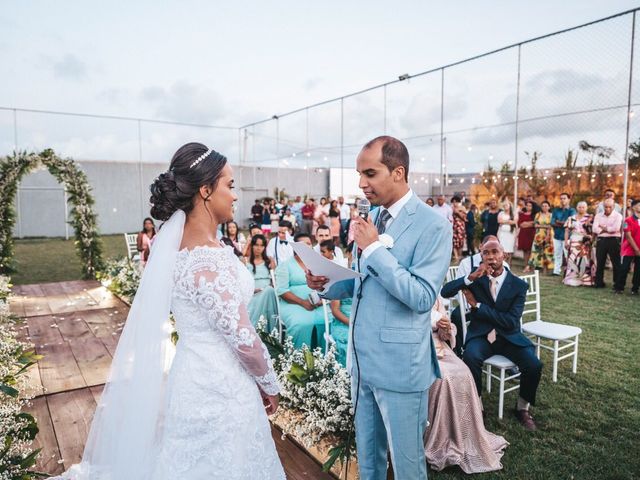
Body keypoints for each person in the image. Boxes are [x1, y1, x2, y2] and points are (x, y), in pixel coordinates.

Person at [53, 143, 285, 479]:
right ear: (205, 191)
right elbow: (244, 339)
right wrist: (270, 384)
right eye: (230, 185)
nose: (235, 196)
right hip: (222, 390)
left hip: (190, 375)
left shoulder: (178, 248)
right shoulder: (208, 258)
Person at [307, 136, 451, 479]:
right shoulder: (372, 217)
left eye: (370, 173)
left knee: (406, 467)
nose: (361, 183)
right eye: (359, 174)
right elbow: (363, 281)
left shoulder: (434, 226)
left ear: (398, 172)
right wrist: (327, 284)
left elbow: (420, 297)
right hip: (361, 362)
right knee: (368, 460)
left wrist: (373, 250)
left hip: (401, 367)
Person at [441, 238, 543, 431]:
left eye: (495, 252)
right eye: (486, 253)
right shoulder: (477, 281)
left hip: (509, 336)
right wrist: (469, 278)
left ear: (503, 255)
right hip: (481, 336)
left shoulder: (518, 285)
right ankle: (477, 406)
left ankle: (522, 408)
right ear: (481, 257)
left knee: (533, 365)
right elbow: (445, 292)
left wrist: (478, 306)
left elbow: (511, 322)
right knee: (470, 357)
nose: (491, 257)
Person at [424, 297, 508, 474]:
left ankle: (463, 432)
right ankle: (440, 434)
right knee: (444, 379)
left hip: (440, 347)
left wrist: (446, 328)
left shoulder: (435, 299)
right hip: (419, 349)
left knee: (464, 373)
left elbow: (445, 336)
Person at [275, 233, 326, 350]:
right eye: (303, 244)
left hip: (318, 304)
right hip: (293, 304)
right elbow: (282, 291)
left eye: (309, 243)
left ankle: (323, 360)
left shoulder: (318, 264)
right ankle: (298, 361)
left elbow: (326, 284)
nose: (307, 246)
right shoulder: (285, 265)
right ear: (295, 247)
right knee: (301, 324)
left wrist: (322, 298)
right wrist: (303, 302)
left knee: (328, 321)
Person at [246, 234, 278, 328]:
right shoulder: (246, 262)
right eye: (256, 245)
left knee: (269, 291)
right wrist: (254, 290)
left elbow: (274, 281)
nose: (258, 248)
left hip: (268, 293)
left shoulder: (269, 262)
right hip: (252, 294)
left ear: (264, 247)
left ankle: (269, 332)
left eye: (261, 245)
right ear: (252, 246)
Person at [592, 198, 623, 291]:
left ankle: (617, 283)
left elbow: (616, 228)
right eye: (606, 207)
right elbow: (594, 229)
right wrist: (608, 229)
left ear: (614, 206)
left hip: (614, 240)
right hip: (601, 240)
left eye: (610, 207)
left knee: (616, 262)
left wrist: (603, 228)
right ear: (603, 206)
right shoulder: (598, 215)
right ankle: (599, 282)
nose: (608, 209)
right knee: (600, 261)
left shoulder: (618, 216)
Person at [563, 201, 594, 287]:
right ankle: (571, 279)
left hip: (585, 242)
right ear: (577, 208)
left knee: (584, 260)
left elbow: (594, 230)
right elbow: (566, 231)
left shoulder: (590, 218)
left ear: (586, 208)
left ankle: (585, 280)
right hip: (573, 240)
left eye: (583, 207)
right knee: (572, 259)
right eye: (579, 207)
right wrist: (566, 242)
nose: (581, 209)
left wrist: (590, 238)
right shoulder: (571, 218)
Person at [551, 193, 576, 276]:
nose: (562, 200)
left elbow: (570, 223)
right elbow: (552, 222)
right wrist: (563, 223)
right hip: (557, 235)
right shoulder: (556, 210)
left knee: (567, 254)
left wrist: (559, 222)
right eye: (561, 198)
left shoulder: (572, 211)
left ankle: (569, 272)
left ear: (569, 199)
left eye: (564, 198)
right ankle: (556, 271)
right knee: (557, 254)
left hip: (567, 236)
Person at [619, 199, 640, 294]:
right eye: (639, 205)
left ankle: (635, 288)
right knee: (624, 268)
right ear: (633, 207)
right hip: (629, 249)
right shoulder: (627, 220)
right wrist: (636, 248)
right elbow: (628, 235)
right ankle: (619, 287)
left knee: (638, 270)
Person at [528, 200, 554, 274]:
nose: (544, 207)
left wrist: (547, 234)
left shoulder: (551, 215)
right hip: (538, 235)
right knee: (536, 251)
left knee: (546, 252)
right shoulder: (538, 215)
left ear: (549, 207)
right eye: (543, 206)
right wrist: (546, 226)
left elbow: (551, 226)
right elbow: (535, 225)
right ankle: (535, 269)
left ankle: (546, 270)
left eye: (546, 206)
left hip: (548, 235)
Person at [518, 201, 536, 273]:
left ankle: (532, 266)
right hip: (523, 234)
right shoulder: (522, 214)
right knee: (525, 251)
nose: (528, 207)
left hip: (531, 233)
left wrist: (526, 223)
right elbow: (521, 224)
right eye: (527, 205)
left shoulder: (535, 215)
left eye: (530, 206)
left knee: (532, 251)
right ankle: (526, 266)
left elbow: (535, 224)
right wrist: (530, 223)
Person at [497, 200, 517, 264]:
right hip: (502, 233)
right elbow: (499, 221)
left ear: (510, 206)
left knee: (510, 249)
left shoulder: (513, 214)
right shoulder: (501, 213)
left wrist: (504, 221)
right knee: (502, 249)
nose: (505, 206)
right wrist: (509, 221)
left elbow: (514, 222)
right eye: (504, 205)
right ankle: (502, 263)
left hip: (510, 234)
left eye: (506, 205)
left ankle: (509, 264)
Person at [451, 196, 467, 262]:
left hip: (461, 227)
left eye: (456, 202)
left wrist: (458, 212)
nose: (455, 203)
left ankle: (460, 256)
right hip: (454, 227)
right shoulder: (451, 208)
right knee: (454, 242)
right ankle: (456, 257)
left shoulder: (462, 208)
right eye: (453, 202)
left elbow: (464, 218)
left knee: (460, 242)